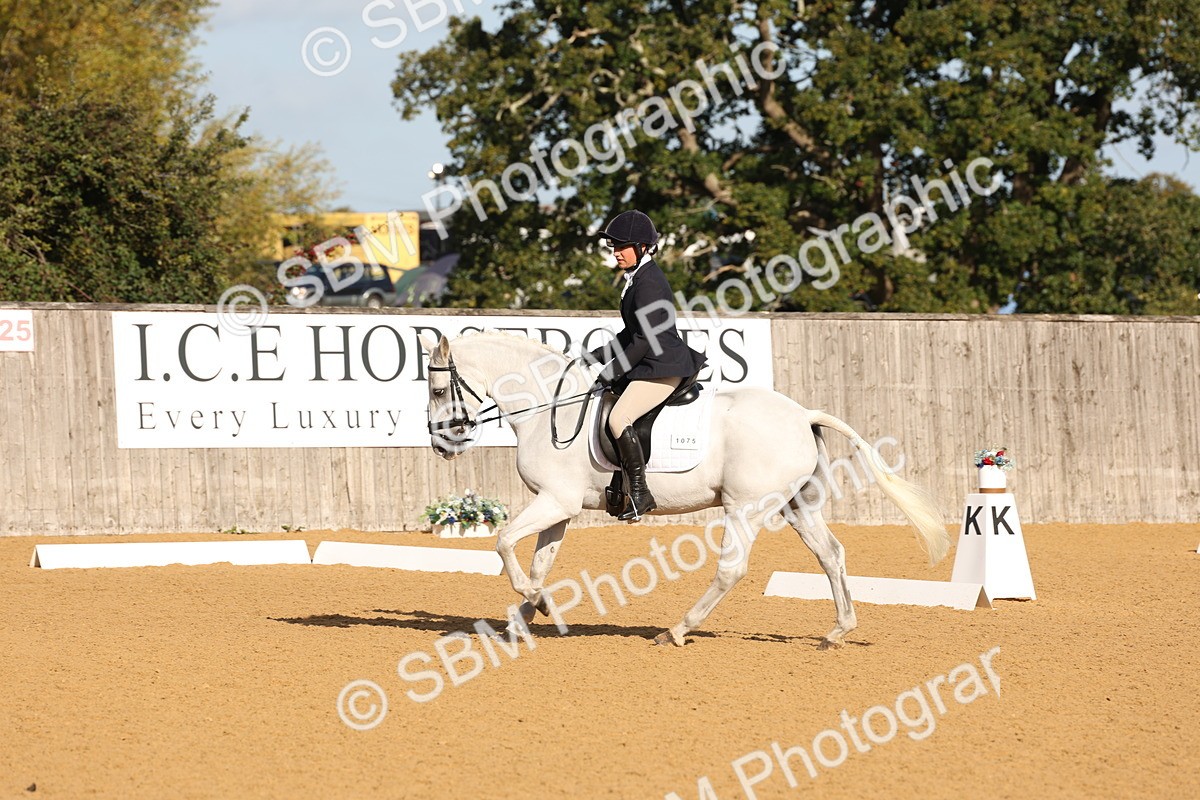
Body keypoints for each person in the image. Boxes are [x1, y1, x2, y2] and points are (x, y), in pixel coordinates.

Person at [587, 210, 707, 521]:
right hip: (651, 362)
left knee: (619, 418)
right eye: (613, 247)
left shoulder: (649, 282)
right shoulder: (638, 278)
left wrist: (612, 370)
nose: (616, 253)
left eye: (622, 247)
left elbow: (643, 340)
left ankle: (639, 492)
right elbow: (631, 333)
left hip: (662, 366)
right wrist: (599, 354)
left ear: (642, 247)